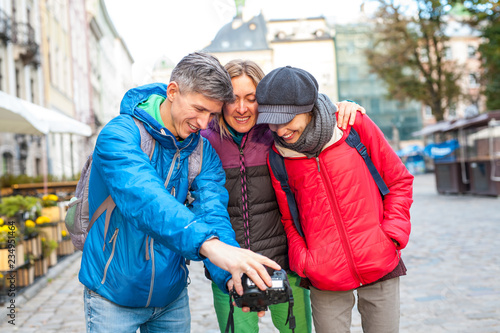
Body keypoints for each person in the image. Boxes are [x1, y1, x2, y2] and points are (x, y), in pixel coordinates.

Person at [78, 52, 281, 333]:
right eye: (198, 109)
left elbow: (212, 212)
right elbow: (146, 198)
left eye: (211, 114)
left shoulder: (200, 150)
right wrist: (209, 245)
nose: (203, 123)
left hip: (171, 296)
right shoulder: (119, 135)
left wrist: (232, 277)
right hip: (112, 293)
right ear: (172, 91)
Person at [202, 59, 366, 333]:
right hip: (233, 269)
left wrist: (343, 106)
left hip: (284, 266)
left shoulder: (278, 135)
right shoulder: (205, 142)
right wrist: (222, 269)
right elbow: (206, 210)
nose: (241, 108)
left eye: (251, 98)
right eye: (232, 98)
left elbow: (315, 121)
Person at [255, 66, 414, 333]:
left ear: (308, 108)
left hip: (380, 261)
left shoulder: (353, 126)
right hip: (324, 276)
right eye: (272, 121)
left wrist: (391, 235)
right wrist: (304, 260)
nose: (280, 130)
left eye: (287, 120)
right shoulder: (277, 156)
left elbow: (399, 181)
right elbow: (288, 218)